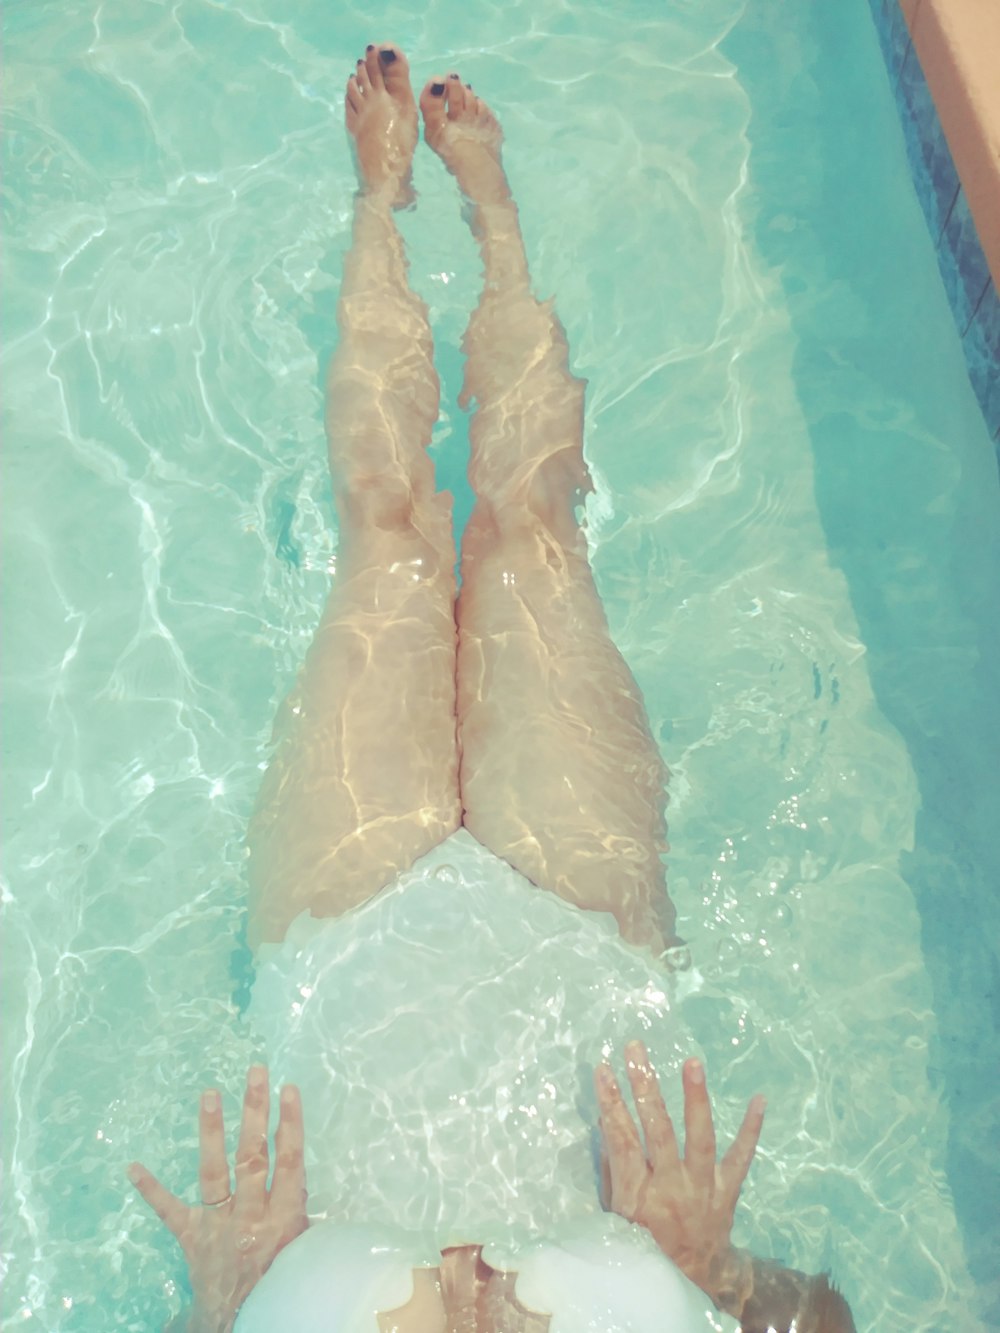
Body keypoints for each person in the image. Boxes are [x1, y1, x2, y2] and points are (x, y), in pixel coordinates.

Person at [128, 45, 857, 1333]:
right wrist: (722, 1278)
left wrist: (220, 1309)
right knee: (527, 531)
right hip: (580, 946)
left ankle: (381, 198)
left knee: (391, 525)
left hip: (343, 957)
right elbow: (829, 1323)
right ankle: (496, 224)